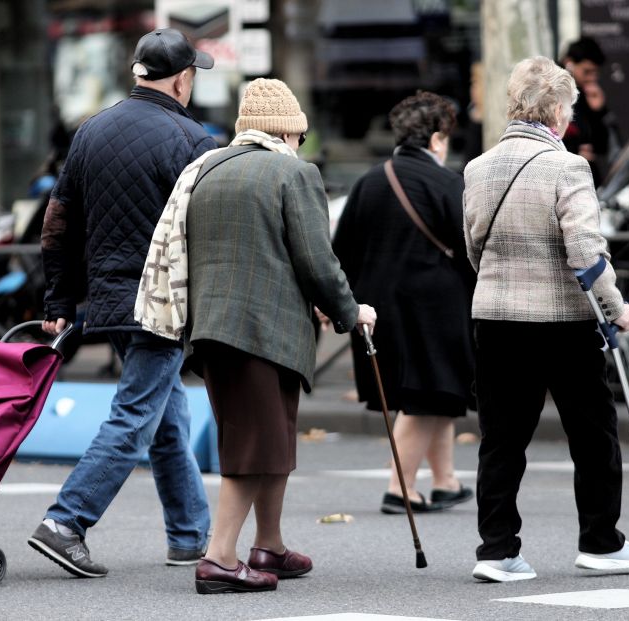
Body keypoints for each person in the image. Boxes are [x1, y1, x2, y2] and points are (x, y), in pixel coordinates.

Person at [137, 78, 376, 593]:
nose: (300, 146)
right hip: (265, 331)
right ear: (287, 132)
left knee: (269, 439)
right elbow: (317, 260)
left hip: (213, 330)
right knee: (253, 447)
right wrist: (350, 311)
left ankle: (270, 544)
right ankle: (219, 558)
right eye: (300, 137)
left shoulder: (207, 171)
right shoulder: (293, 172)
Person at [30, 28, 217, 578]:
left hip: (108, 299)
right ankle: (66, 522)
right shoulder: (192, 140)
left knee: (166, 418)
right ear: (181, 80)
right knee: (137, 415)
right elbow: (202, 232)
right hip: (161, 300)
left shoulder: (91, 131)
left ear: (137, 73)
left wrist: (59, 297)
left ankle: (189, 536)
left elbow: (57, 221)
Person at [462, 56, 629, 583]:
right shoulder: (567, 166)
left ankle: (496, 550)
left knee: (501, 439)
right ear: (557, 112)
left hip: (496, 317)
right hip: (564, 319)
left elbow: (474, 247)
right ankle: (600, 541)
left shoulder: (478, 167)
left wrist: (500, 281)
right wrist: (618, 307)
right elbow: (586, 251)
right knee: (592, 434)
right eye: (567, 109)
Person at [332, 91, 475, 515]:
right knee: (427, 397)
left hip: (377, 311)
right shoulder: (450, 183)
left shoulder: (369, 181)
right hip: (435, 310)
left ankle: (446, 481)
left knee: (438, 393)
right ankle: (401, 488)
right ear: (435, 139)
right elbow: (470, 250)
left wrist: (337, 304)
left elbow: (342, 251)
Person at [560, 37, 613, 185]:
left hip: (586, 179)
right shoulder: (552, 93)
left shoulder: (587, 95)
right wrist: (576, 151)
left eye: (595, 73)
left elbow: (602, 146)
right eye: (587, 71)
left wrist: (598, 111)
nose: (592, 78)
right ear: (569, 63)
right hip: (562, 178)